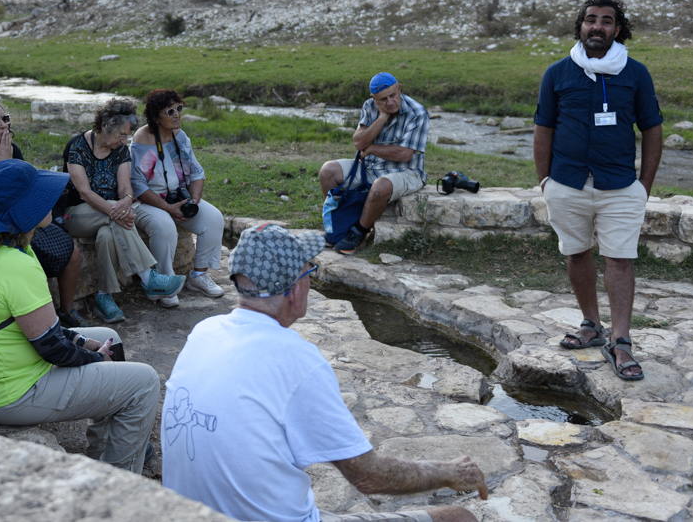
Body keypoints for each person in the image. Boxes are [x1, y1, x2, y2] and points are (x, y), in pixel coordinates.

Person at [162, 223, 487, 522]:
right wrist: (449, 472)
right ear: (293, 289)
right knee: (459, 518)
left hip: (188, 514)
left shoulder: (205, 331)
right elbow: (368, 476)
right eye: (309, 271)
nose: (310, 278)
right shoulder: (296, 359)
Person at [0, 159, 162, 474]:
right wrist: (95, 359)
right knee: (144, 382)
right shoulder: (16, 266)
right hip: (9, 393)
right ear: (24, 211)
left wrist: (86, 343)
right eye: (40, 196)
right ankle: (118, 481)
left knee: (111, 339)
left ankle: (109, 446)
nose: (51, 199)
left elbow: (43, 328)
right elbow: (51, 348)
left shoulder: (1, 248)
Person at [534, 0, 663, 381]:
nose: (597, 27)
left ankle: (620, 342)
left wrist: (644, 185)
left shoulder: (635, 73)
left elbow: (652, 128)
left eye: (606, 21)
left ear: (617, 29)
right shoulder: (558, 73)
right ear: (581, 26)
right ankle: (591, 324)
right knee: (576, 253)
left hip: (620, 183)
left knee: (620, 259)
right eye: (591, 20)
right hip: (568, 181)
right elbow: (544, 128)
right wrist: (545, 181)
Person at [0, 95, 85, 328]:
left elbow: (26, 194)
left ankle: (66, 310)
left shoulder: (13, 150)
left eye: (5, 118)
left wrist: (9, 161)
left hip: (16, 219)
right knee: (27, 258)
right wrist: (4, 165)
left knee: (71, 252)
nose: (3, 125)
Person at [63, 98, 185, 324]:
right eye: (121, 134)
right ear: (104, 126)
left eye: (127, 135)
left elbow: (125, 188)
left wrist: (127, 200)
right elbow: (84, 193)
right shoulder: (77, 147)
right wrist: (114, 210)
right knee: (114, 220)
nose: (124, 140)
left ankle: (103, 297)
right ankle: (149, 277)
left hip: (109, 216)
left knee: (108, 234)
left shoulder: (119, 151)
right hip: (76, 213)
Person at [130, 90, 225, 308]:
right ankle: (165, 283)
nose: (177, 115)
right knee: (164, 227)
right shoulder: (141, 141)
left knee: (214, 218)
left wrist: (193, 201)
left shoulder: (180, 136)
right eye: (170, 111)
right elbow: (138, 185)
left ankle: (198, 276)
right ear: (155, 117)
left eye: (179, 108)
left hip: (177, 197)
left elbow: (197, 171)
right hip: (146, 201)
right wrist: (167, 208)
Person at [319, 73, 429, 254]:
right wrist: (382, 117)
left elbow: (404, 154)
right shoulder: (370, 106)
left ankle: (359, 232)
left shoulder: (417, 112)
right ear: (374, 99)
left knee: (380, 187)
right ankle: (339, 226)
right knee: (328, 170)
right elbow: (359, 142)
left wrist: (371, 149)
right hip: (370, 168)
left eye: (393, 95)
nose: (390, 102)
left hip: (408, 172)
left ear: (399, 89)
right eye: (383, 99)